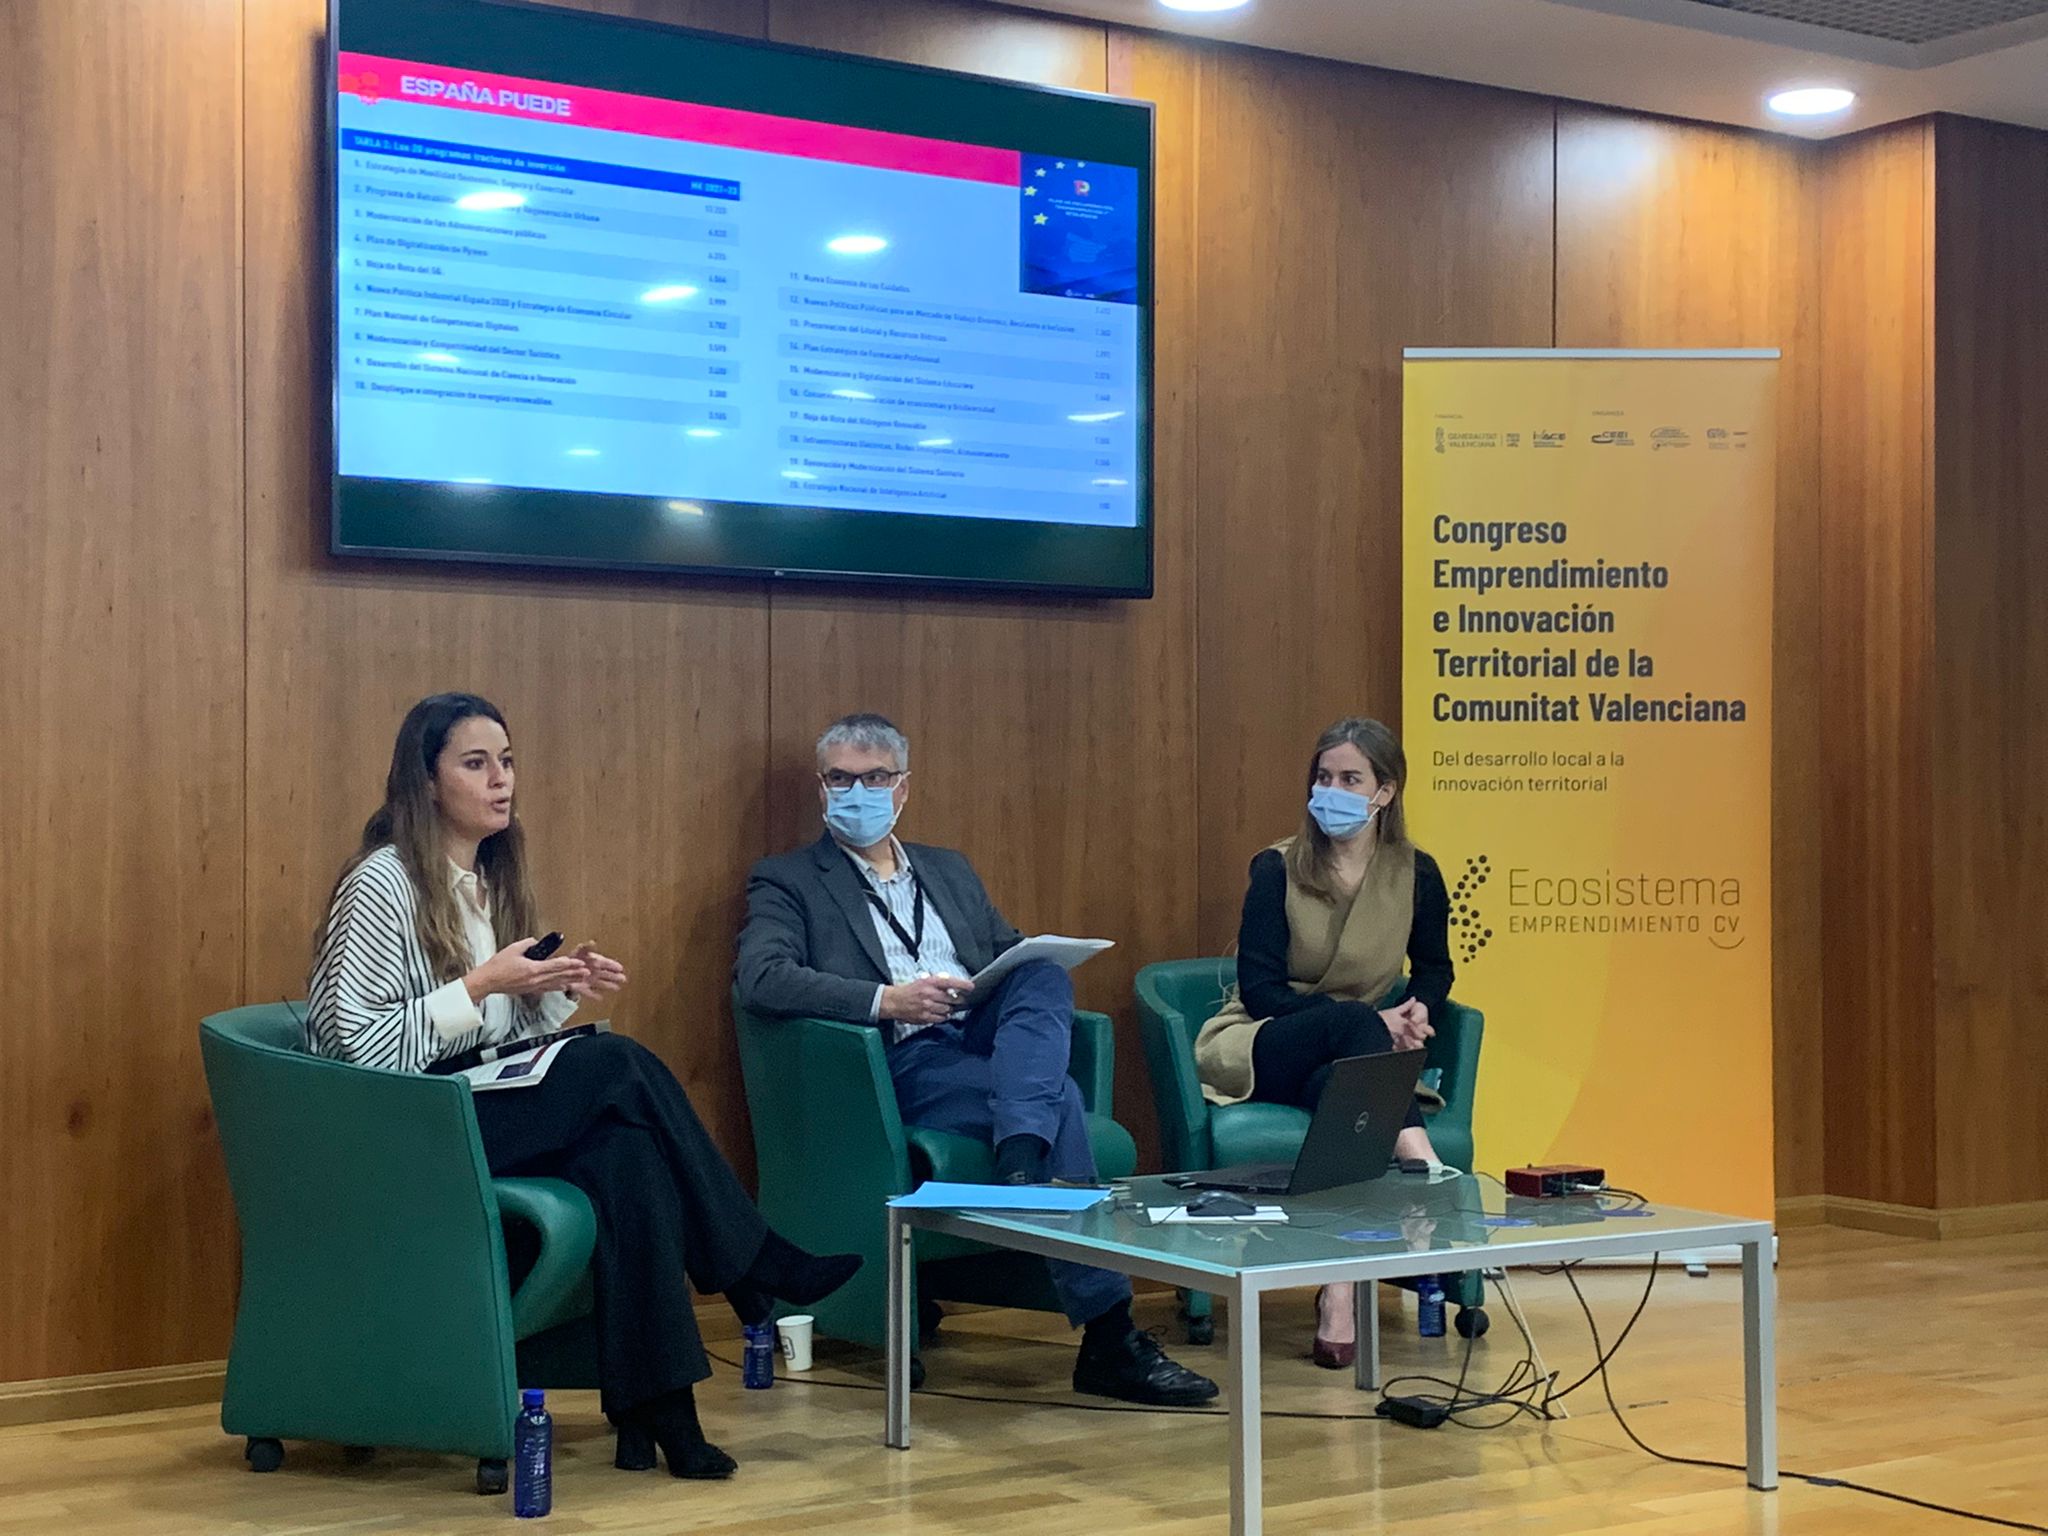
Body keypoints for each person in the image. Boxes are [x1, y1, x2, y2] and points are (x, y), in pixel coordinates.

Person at [307, 692, 859, 1480]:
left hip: (472, 1102)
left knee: (627, 1155)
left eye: (507, 761)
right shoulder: (382, 881)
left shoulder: (489, 880)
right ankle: (753, 1258)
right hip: (406, 1124)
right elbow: (357, 1050)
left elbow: (496, 1041)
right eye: (475, 764)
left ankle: (658, 1417)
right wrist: (484, 983)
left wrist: (551, 990)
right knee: (616, 1065)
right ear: (425, 782)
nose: (501, 780)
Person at [734, 713, 1218, 1407]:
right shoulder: (788, 880)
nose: (856, 793)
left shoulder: (948, 870)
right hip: (896, 1061)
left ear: (902, 788)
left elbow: (1005, 958)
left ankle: (1022, 1154)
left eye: (874, 778)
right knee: (1061, 1100)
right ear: (821, 788)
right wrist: (888, 1000)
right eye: (840, 779)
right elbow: (761, 978)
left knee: (1042, 974)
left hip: (985, 1046)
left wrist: (1016, 966)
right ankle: (1109, 1333)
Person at [1194, 717, 1452, 1370]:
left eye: (1350, 779)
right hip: (1263, 1042)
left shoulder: (1416, 873)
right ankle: (1425, 1170)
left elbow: (1435, 965)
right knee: (1355, 1027)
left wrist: (1419, 1007)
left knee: (1342, 1088)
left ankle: (1339, 1283)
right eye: (1323, 777)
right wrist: (1371, 1023)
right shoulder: (1276, 867)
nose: (1331, 791)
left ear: (1384, 792)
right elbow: (1261, 991)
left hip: (1351, 1059)